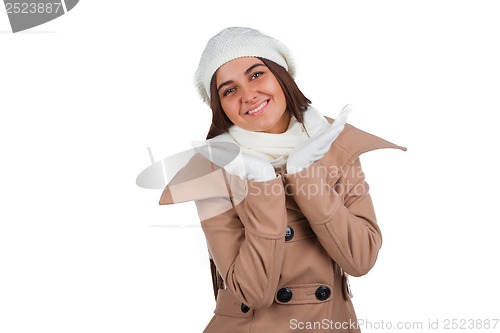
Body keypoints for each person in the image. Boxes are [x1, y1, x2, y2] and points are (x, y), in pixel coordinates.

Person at [158, 27, 406, 333]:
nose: (249, 95)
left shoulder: (332, 144)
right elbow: (253, 293)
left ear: (281, 75)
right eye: (229, 90)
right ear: (219, 106)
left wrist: (304, 172)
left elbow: (360, 260)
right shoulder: (213, 172)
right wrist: (262, 184)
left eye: (256, 74)